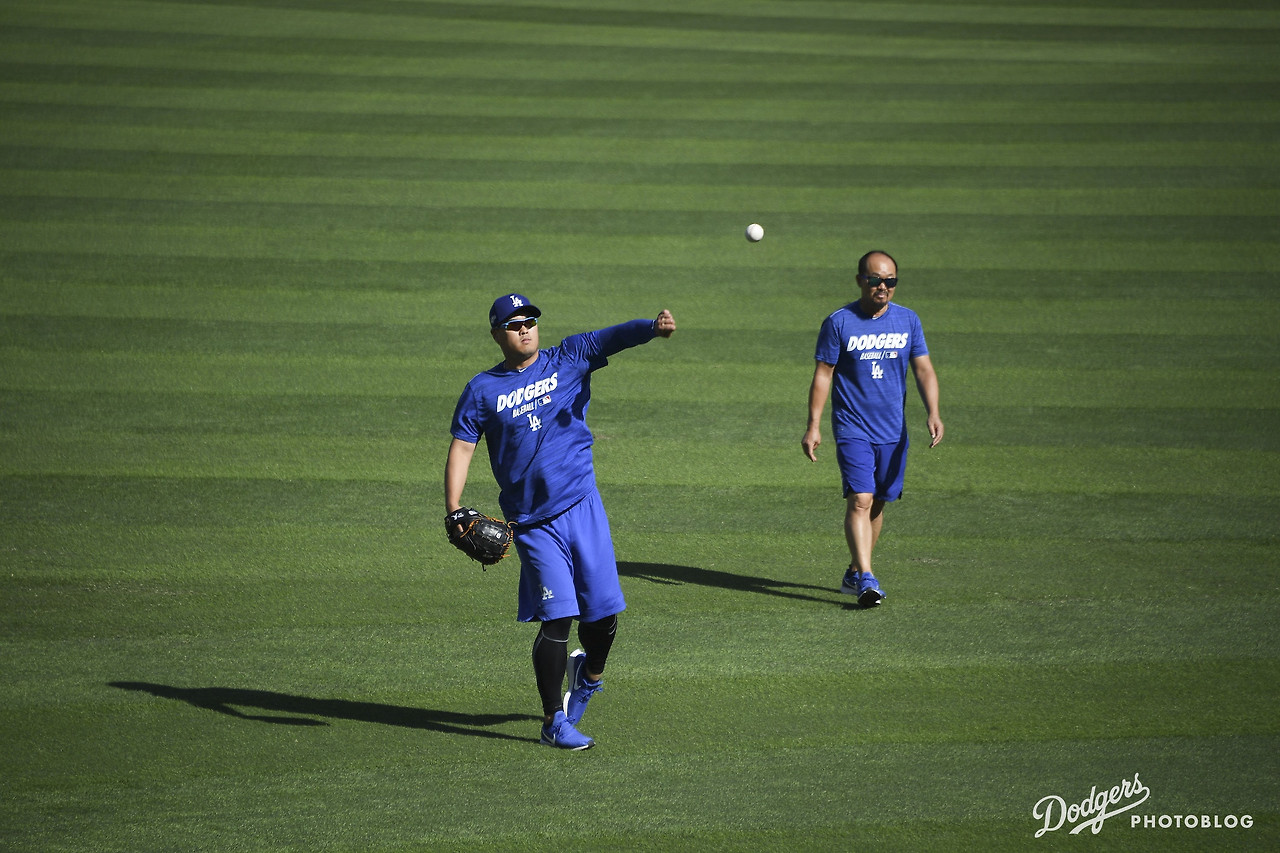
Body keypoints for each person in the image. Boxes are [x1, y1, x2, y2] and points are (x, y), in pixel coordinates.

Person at [445, 293, 677, 750]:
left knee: (604, 616)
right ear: (497, 334)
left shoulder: (568, 356)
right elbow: (462, 446)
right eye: (514, 324)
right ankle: (554, 721)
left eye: (530, 319)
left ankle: (588, 675)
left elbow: (613, 338)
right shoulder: (481, 390)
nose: (525, 328)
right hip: (531, 524)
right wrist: (453, 508)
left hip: (583, 507)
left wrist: (651, 327)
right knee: (558, 617)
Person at [802, 251, 943, 606]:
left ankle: (854, 570)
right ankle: (867, 577)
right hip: (853, 427)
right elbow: (823, 374)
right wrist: (813, 425)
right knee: (861, 499)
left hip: (893, 431)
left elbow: (923, 369)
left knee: (878, 502)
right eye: (876, 280)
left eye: (890, 281)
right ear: (859, 280)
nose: (883, 287)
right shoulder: (839, 322)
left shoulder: (908, 321)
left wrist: (933, 411)